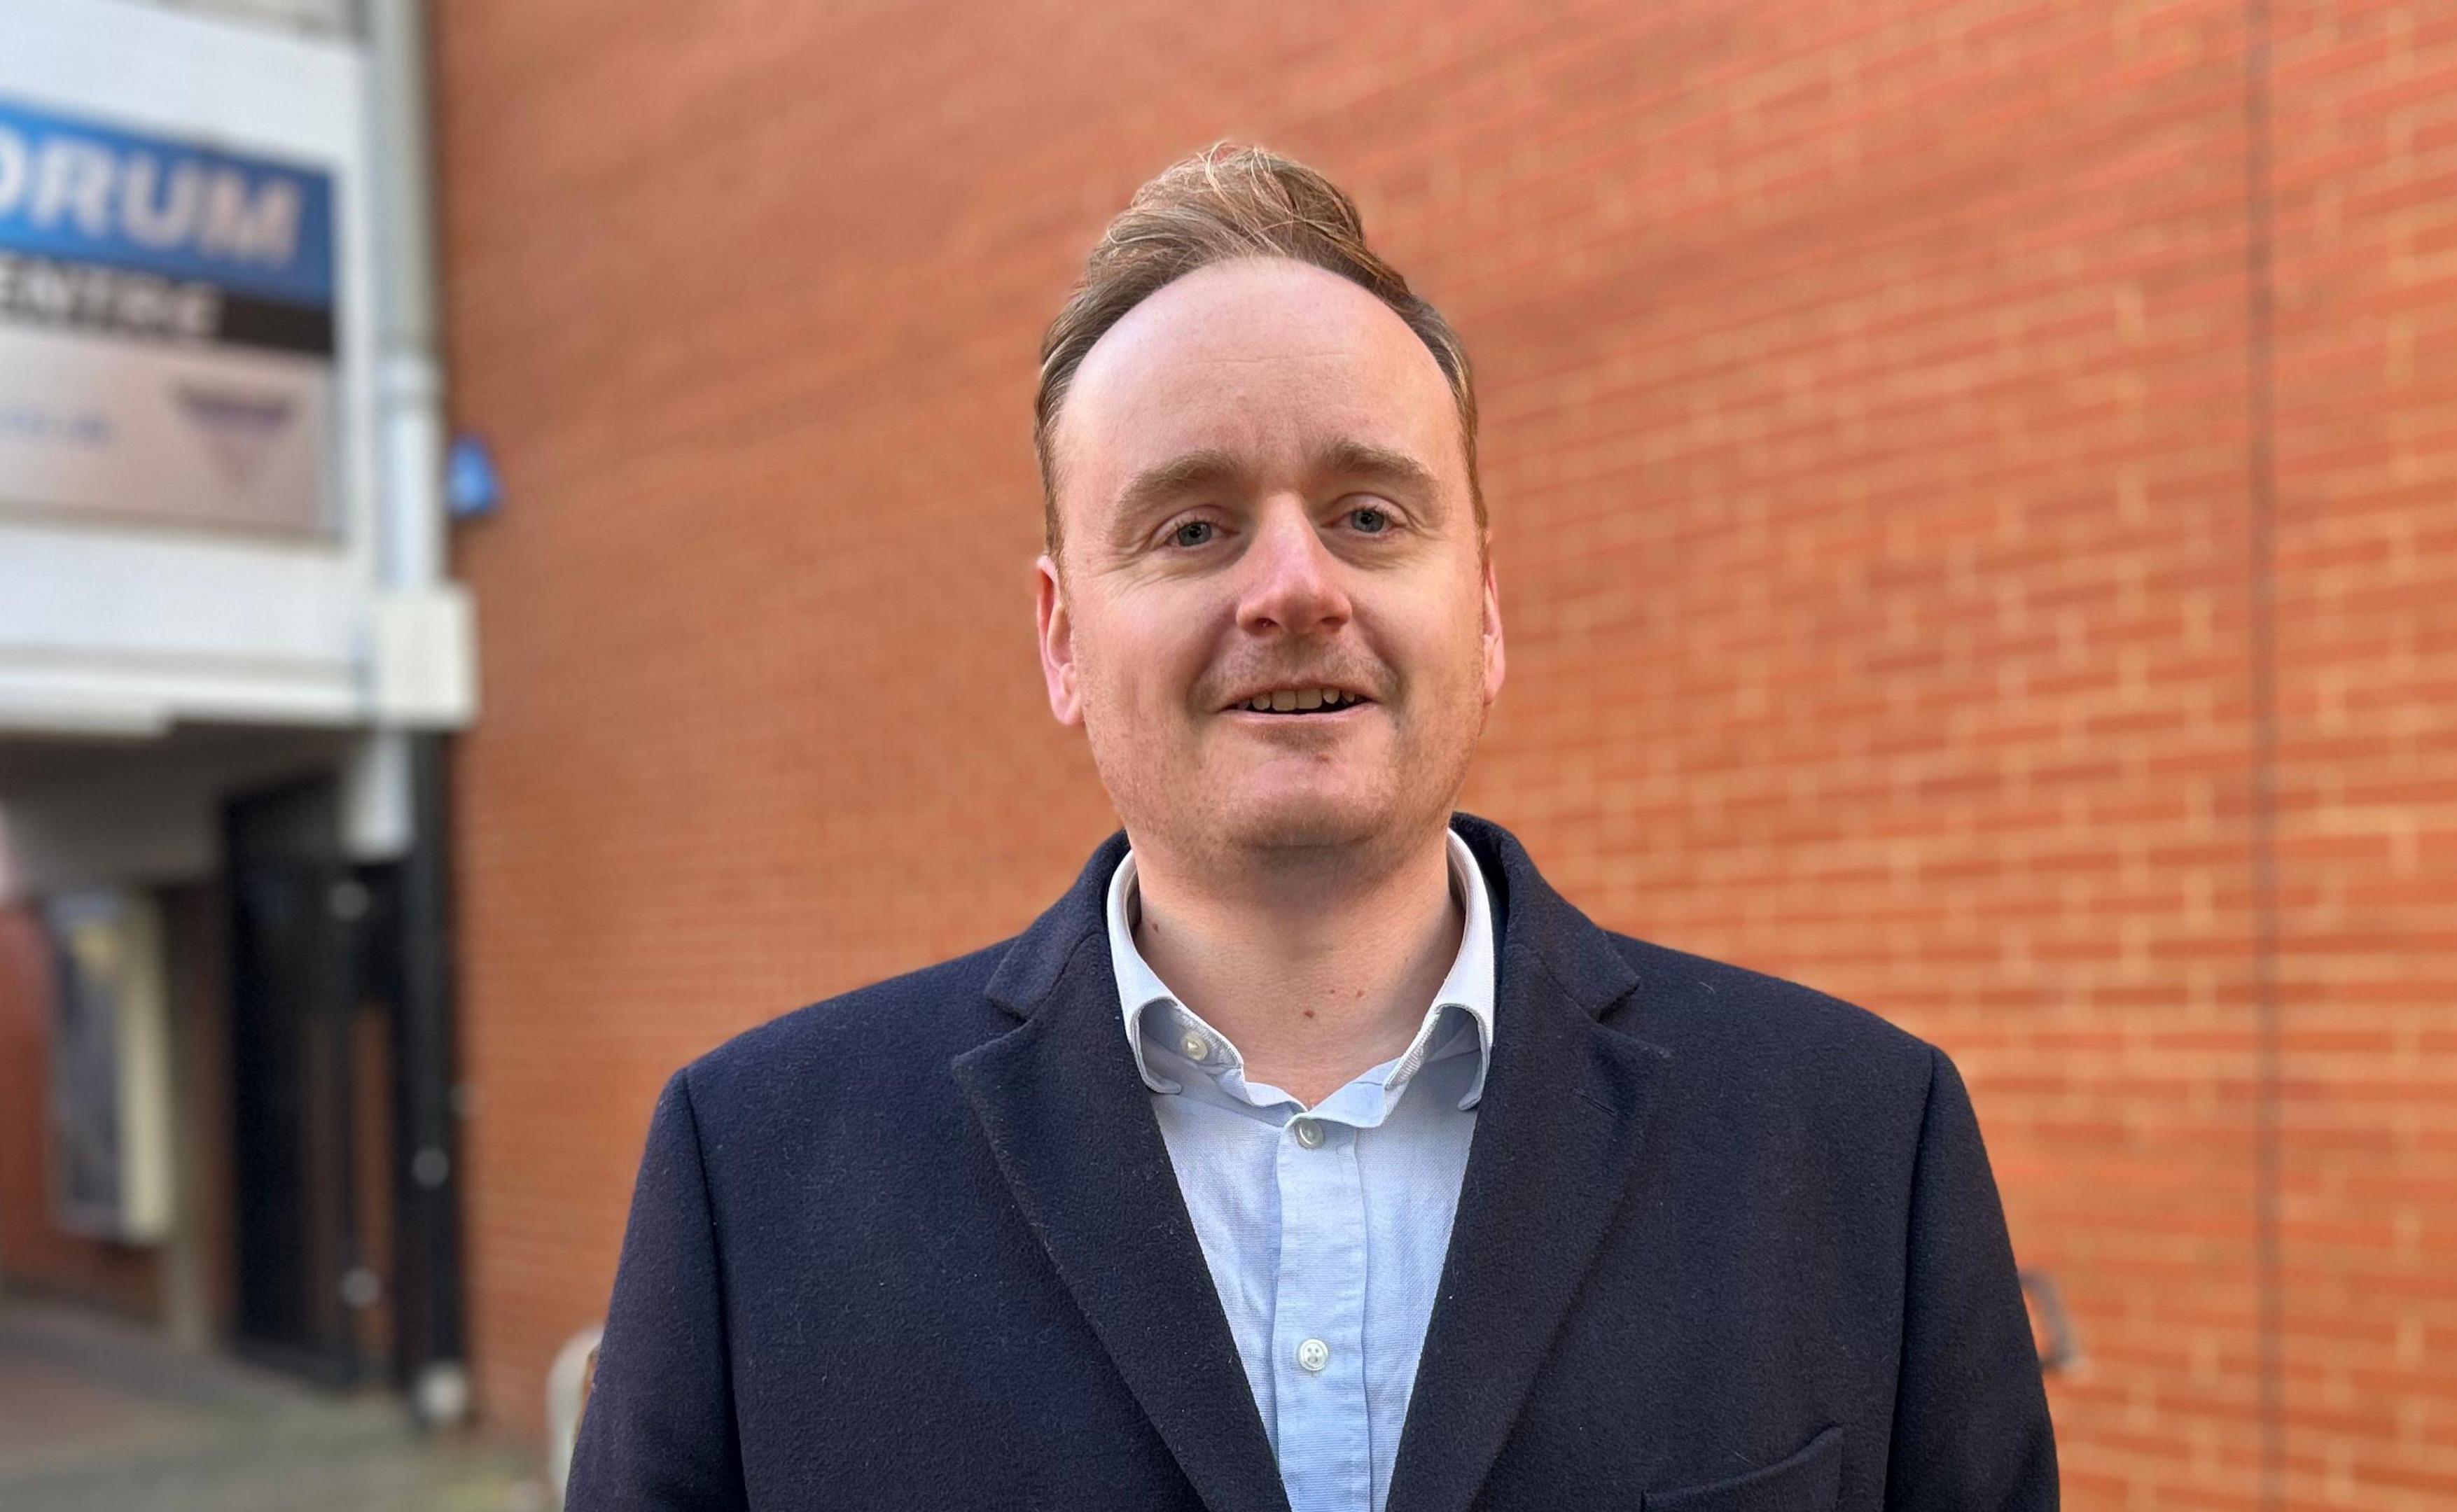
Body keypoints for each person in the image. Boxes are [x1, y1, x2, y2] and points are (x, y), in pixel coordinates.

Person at [567, 144, 2058, 1512]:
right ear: (1062, 637)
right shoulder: (752, 1174)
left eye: (1368, 514)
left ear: (1481, 614)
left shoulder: (1862, 1143)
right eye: (1194, 526)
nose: (1294, 589)